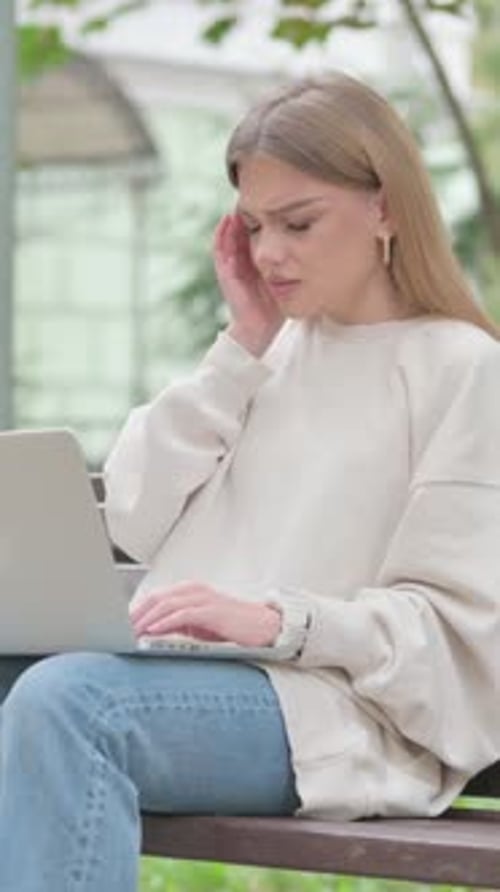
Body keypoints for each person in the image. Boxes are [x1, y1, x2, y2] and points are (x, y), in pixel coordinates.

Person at [0, 70, 499, 891]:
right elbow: (130, 516)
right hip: (188, 677)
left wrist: (277, 621)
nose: (269, 254)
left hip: (333, 711)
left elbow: (455, 636)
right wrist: (240, 346)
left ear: (385, 209)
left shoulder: (462, 369)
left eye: (298, 223)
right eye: (256, 226)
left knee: (74, 705)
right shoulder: (265, 355)